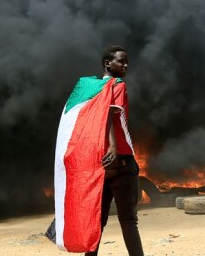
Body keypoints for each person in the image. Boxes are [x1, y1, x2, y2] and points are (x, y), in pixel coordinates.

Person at [53, 45, 144, 256]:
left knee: (96, 222)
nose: (126, 65)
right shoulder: (117, 85)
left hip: (98, 164)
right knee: (129, 221)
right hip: (121, 161)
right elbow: (111, 113)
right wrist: (113, 144)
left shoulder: (86, 89)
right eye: (121, 61)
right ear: (107, 64)